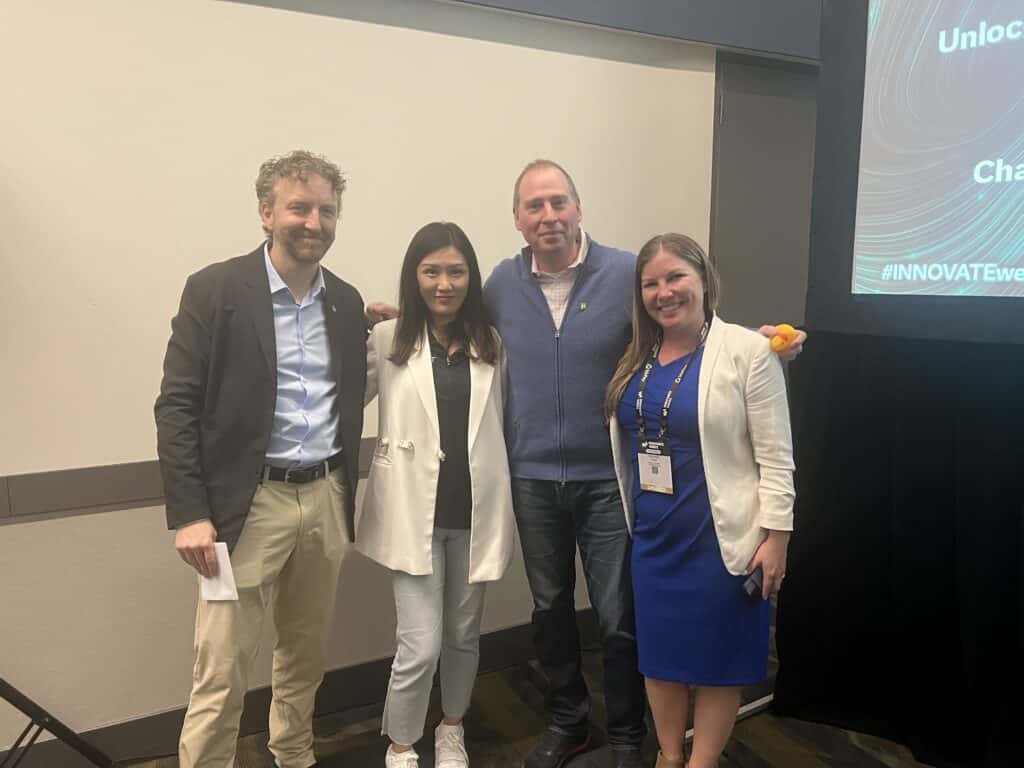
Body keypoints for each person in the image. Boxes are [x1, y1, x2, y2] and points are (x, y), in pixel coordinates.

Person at [368, 159, 804, 768]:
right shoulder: (498, 285)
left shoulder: (627, 273)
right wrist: (398, 322)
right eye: (534, 207)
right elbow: (453, 320)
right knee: (548, 611)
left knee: (617, 616)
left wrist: (755, 344)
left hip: (610, 481)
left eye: (558, 203)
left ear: (578, 208)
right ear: (517, 220)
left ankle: (627, 734)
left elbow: (683, 322)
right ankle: (567, 720)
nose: (548, 217)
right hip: (532, 477)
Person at [155, 150, 366, 768]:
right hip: (236, 514)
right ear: (266, 212)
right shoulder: (215, 289)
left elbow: (360, 384)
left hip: (325, 500)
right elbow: (176, 407)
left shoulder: (346, 304)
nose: (314, 222)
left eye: (327, 210)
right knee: (219, 670)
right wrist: (191, 514)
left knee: (304, 657)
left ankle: (293, 756)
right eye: (299, 207)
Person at [605, 233, 795, 768]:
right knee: (659, 657)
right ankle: (669, 756)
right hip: (654, 536)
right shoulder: (636, 357)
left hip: (721, 536)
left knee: (719, 660)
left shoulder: (747, 352)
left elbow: (777, 457)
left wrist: (776, 538)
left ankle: (703, 760)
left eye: (676, 278)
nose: (664, 292)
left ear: (704, 280)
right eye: (651, 283)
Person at [358, 222, 516, 768]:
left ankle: (452, 727)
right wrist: (354, 330)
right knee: (420, 645)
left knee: (464, 636)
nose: (444, 283)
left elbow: (504, 423)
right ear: (414, 277)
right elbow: (345, 397)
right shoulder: (387, 338)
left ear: (471, 278)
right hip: (413, 517)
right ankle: (401, 744)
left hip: (474, 515)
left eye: (456, 271)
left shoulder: (490, 344)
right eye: (432, 271)